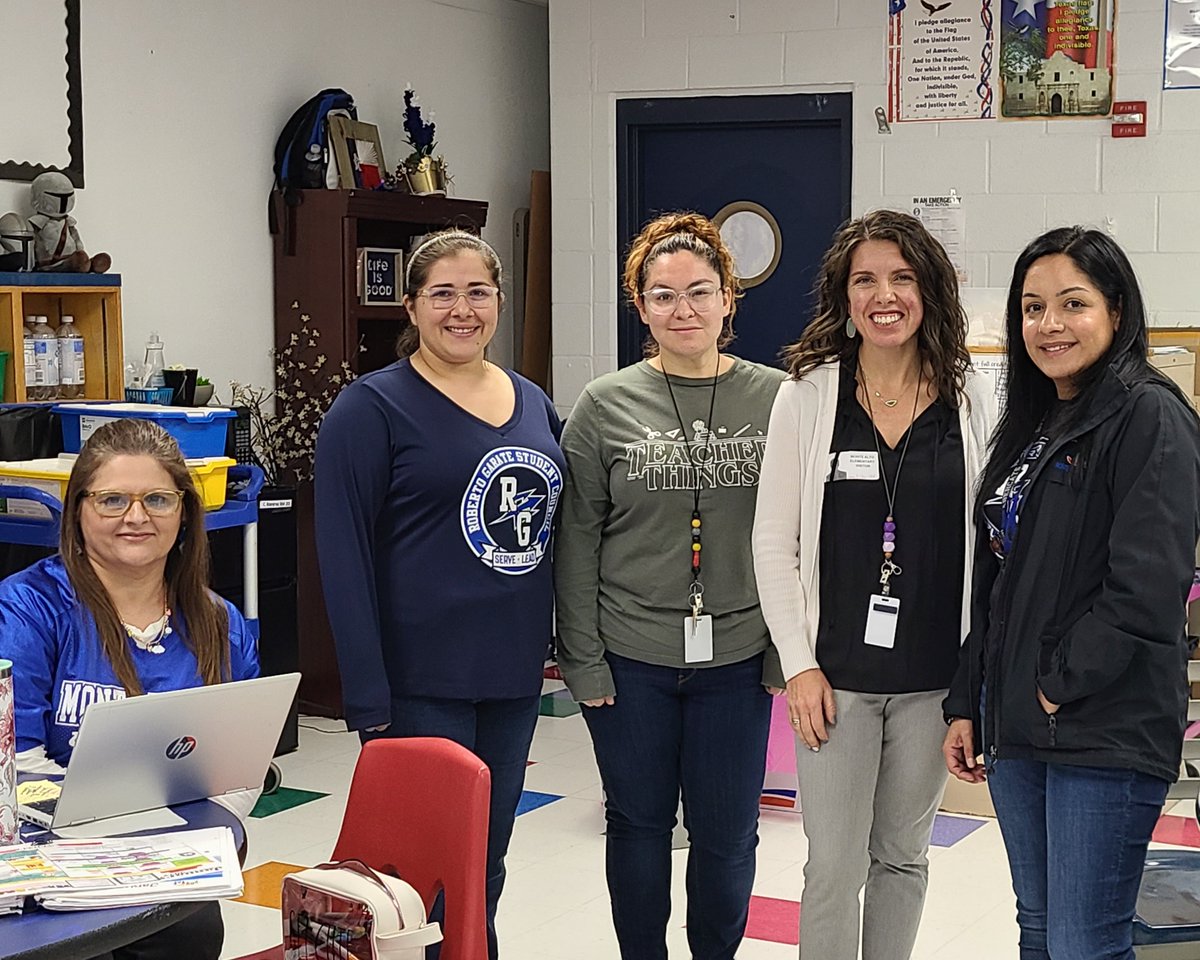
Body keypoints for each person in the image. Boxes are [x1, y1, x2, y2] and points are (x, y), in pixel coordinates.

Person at [943, 227, 1200, 960]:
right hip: (1021, 722)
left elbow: (1147, 585)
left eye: (1072, 304)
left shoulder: (1150, 415)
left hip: (1102, 727)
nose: (1048, 325)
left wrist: (1058, 686)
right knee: (1041, 927)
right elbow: (998, 583)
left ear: (1116, 311)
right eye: (1031, 307)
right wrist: (972, 697)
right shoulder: (1038, 421)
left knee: (1085, 942)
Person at [314, 229, 564, 960]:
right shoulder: (371, 410)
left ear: (499, 300)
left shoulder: (532, 400)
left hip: (513, 681)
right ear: (412, 308)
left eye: (478, 291)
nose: (463, 310)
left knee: (484, 865)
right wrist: (369, 701)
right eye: (443, 293)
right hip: (418, 685)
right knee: (416, 880)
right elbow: (344, 560)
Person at [751, 209, 994, 960]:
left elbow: (990, 544)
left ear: (929, 291)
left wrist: (973, 681)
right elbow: (772, 540)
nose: (884, 295)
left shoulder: (969, 394)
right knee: (832, 866)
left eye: (902, 277)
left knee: (904, 858)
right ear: (844, 296)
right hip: (837, 683)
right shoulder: (808, 395)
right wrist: (799, 663)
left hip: (933, 682)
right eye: (865, 280)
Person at [554, 211, 785, 960]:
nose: (682, 310)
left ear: (728, 300)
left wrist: (790, 653)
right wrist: (581, 660)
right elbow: (578, 538)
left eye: (699, 291)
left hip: (739, 657)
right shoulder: (603, 404)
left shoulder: (780, 398)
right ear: (641, 306)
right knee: (639, 824)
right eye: (661, 295)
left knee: (727, 835)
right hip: (630, 660)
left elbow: (800, 537)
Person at [0, 417, 259, 960]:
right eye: (112, 500)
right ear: (78, 511)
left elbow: (239, 766)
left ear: (185, 512)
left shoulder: (219, 622)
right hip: (51, 869)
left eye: (158, 500)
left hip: (173, 865)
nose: (136, 517)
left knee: (192, 935)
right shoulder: (26, 609)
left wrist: (175, 848)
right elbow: (16, 763)